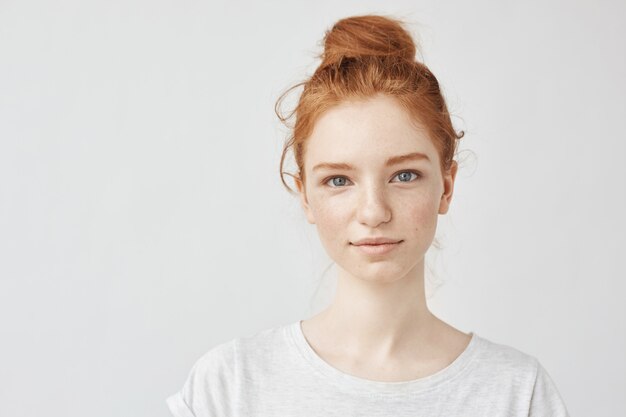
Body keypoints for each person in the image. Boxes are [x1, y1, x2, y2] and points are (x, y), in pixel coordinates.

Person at [166, 14, 570, 417]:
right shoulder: (229, 386)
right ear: (305, 195)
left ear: (446, 186)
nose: (374, 212)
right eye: (339, 181)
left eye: (404, 175)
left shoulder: (516, 392)